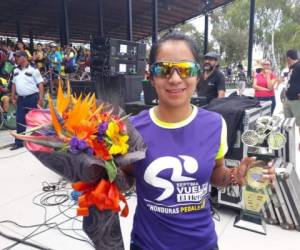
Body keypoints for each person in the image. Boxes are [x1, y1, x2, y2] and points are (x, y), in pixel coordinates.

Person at [120, 32, 275, 250]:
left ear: (198, 75)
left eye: (185, 69)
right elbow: (124, 177)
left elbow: (215, 173)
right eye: (163, 69)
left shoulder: (215, 124)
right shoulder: (132, 127)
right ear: (151, 77)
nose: (175, 78)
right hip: (147, 244)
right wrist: (96, 171)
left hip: (201, 243)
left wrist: (234, 175)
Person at [10, 51, 44, 150]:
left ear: (24, 57)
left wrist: (40, 99)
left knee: (36, 121)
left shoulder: (34, 70)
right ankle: (19, 142)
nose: (16, 59)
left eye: (18, 57)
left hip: (32, 98)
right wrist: (13, 97)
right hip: (21, 99)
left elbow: (41, 85)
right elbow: (14, 84)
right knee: (19, 120)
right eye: (15, 57)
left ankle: (40, 141)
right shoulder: (15, 70)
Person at [284, 49, 300, 131]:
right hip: (287, 99)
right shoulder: (292, 67)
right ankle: (289, 142)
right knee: (288, 123)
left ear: (288, 58)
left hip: (296, 101)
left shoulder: (299, 66)